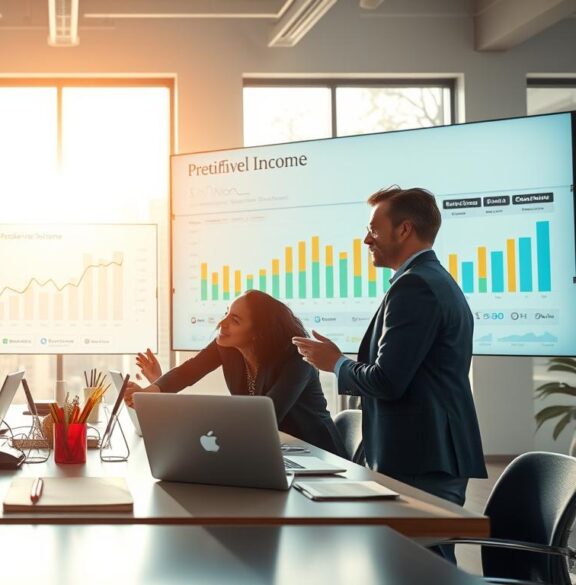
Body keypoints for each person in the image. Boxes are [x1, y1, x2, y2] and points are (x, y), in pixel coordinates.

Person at [292, 186, 486, 560]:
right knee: (415, 566)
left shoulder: (416, 286)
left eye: (374, 230)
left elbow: (387, 381)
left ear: (404, 229)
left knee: (419, 568)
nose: (366, 239)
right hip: (421, 453)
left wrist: (335, 362)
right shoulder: (426, 279)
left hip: (420, 457)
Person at [123, 290, 344, 457]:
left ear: (258, 333)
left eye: (235, 320)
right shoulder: (227, 347)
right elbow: (189, 371)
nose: (222, 323)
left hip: (316, 455)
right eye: (226, 313)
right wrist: (148, 393)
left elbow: (267, 415)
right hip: (273, 450)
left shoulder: (296, 359)